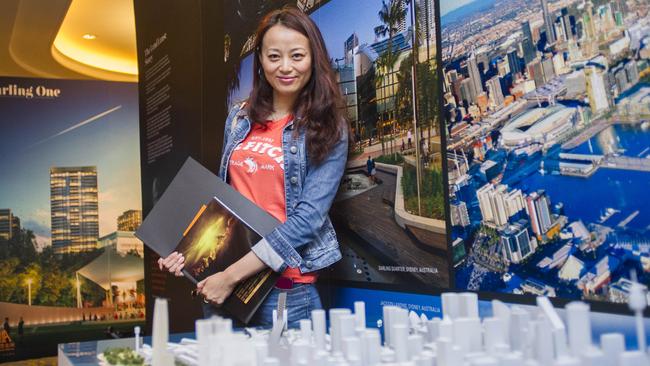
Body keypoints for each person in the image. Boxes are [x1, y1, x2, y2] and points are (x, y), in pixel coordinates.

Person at [159, 6, 349, 328]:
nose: (285, 67)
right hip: (223, 285)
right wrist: (185, 252)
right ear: (260, 60)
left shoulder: (329, 127)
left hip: (284, 292)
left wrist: (231, 277)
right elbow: (224, 200)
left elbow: (308, 220)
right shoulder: (239, 117)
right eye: (274, 56)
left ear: (314, 58)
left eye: (297, 56)